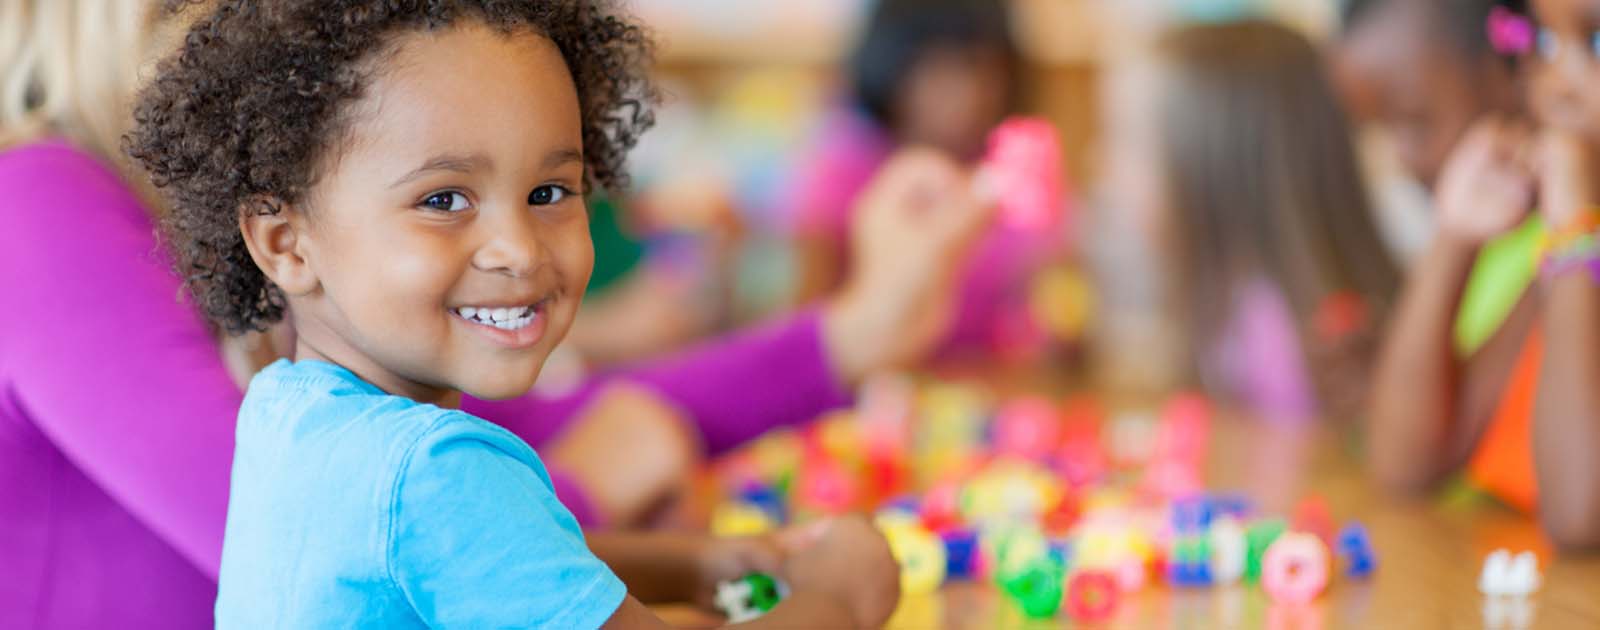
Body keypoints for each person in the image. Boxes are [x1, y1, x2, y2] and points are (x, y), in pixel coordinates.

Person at [0, 1, 992, 626]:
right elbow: (458, 518)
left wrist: (696, 567)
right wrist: (845, 593)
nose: (518, 247)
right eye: (443, 199)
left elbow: (443, 544)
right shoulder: (433, 472)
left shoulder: (292, 418)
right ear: (281, 237)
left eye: (553, 193)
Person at [1366, 0, 1600, 550]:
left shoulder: (1576, 245)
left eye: (1595, 43)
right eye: (1542, 45)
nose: (1556, 86)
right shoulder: (1571, 255)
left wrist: (1573, 233)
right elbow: (1410, 464)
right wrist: (1454, 234)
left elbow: (1581, 514)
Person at [1099, 19, 1398, 422]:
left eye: (1130, 145)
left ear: (1211, 168)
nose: (1103, 166)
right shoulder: (1230, 302)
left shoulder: (1281, 341)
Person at [787, 0, 1061, 357]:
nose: (970, 95)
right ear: (893, 66)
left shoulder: (1014, 168)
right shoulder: (845, 170)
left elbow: (1046, 312)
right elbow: (806, 328)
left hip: (984, 394)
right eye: (942, 71)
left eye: (986, 69)